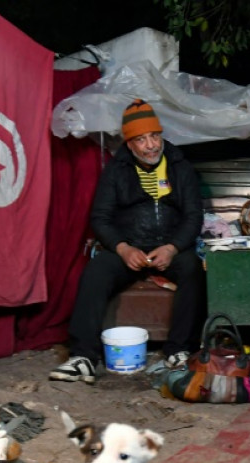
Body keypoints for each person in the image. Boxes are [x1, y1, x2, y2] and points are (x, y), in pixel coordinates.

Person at [50, 99, 206, 383]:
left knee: (193, 268)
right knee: (95, 272)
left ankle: (180, 349)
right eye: (141, 139)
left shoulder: (180, 165)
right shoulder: (117, 169)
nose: (151, 145)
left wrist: (172, 247)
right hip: (129, 247)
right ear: (129, 144)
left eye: (155, 136)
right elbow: (100, 218)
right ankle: (83, 356)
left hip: (169, 247)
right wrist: (123, 248)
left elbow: (194, 216)